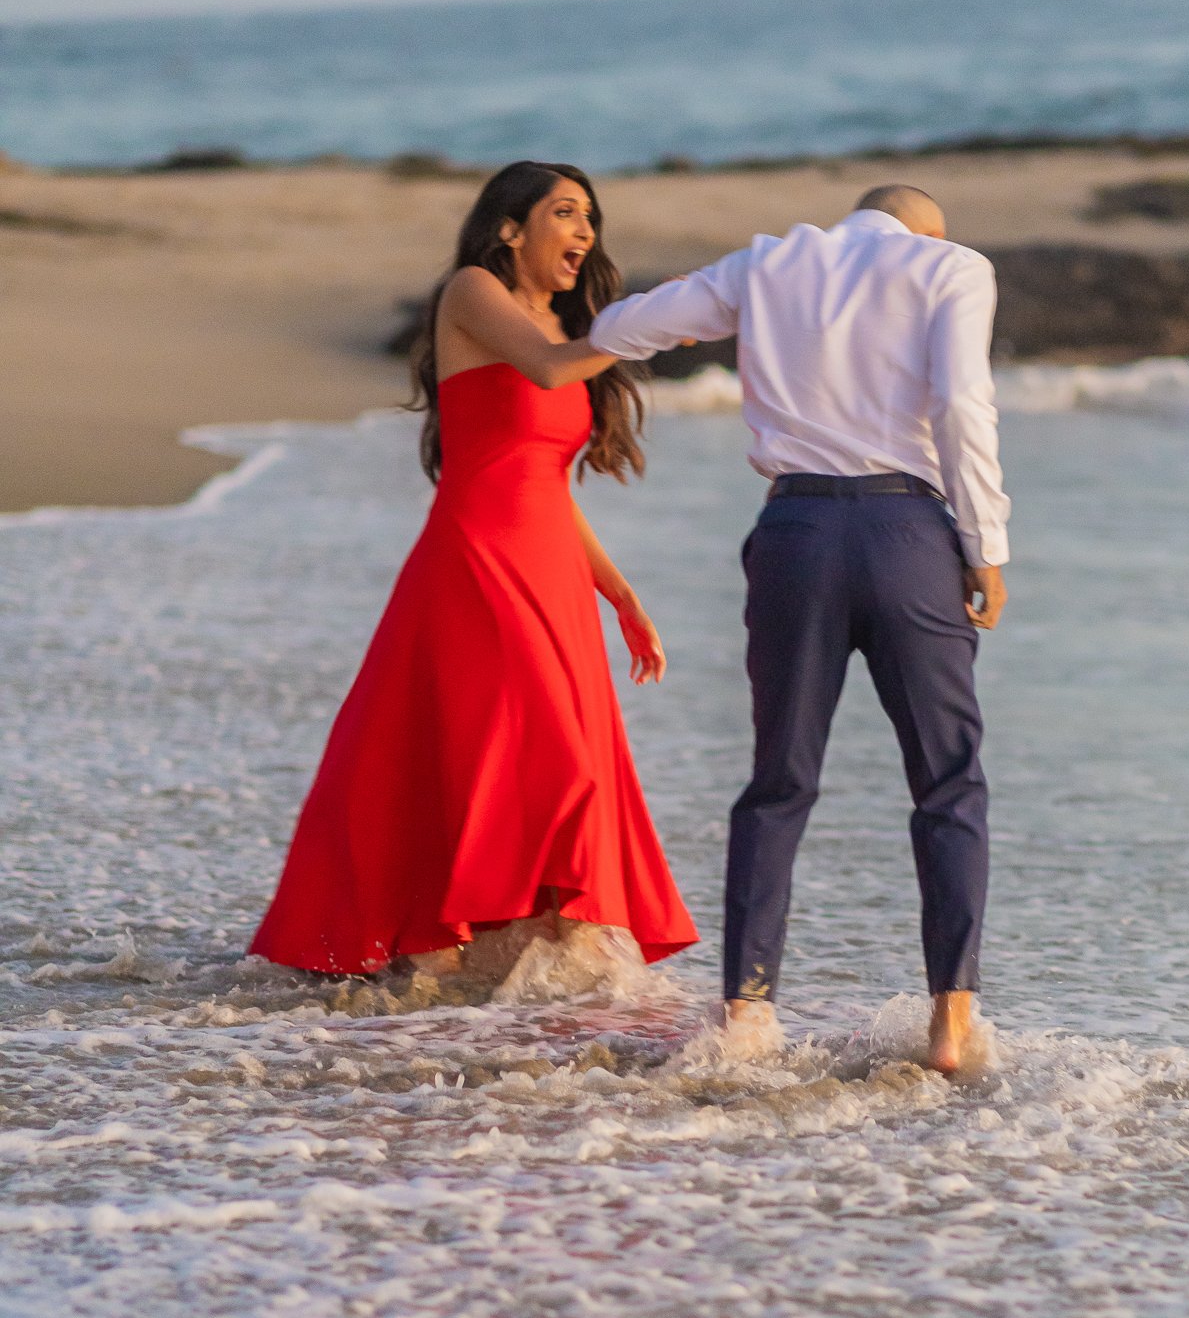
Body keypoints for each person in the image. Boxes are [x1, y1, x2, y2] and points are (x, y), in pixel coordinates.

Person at [589, 184, 1007, 1074]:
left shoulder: (768, 262)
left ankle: (746, 1012)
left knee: (779, 778)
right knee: (946, 782)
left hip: (795, 535)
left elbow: (624, 330)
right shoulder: (949, 266)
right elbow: (963, 405)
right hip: (908, 535)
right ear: (924, 229)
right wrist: (987, 546)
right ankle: (951, 1024)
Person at [250, 161, 697, 980]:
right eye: (565, 213)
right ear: (508, 230)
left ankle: (531, 996)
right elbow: (553, 371)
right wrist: (654, 322)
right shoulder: (471, 294)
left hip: (552, 573)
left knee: (550, 765)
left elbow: (548, 484)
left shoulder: (563, 323)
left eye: (590, 217)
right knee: (533, 763)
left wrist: (621, 593)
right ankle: (464, 962)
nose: (585, 233)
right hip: (479, 562)